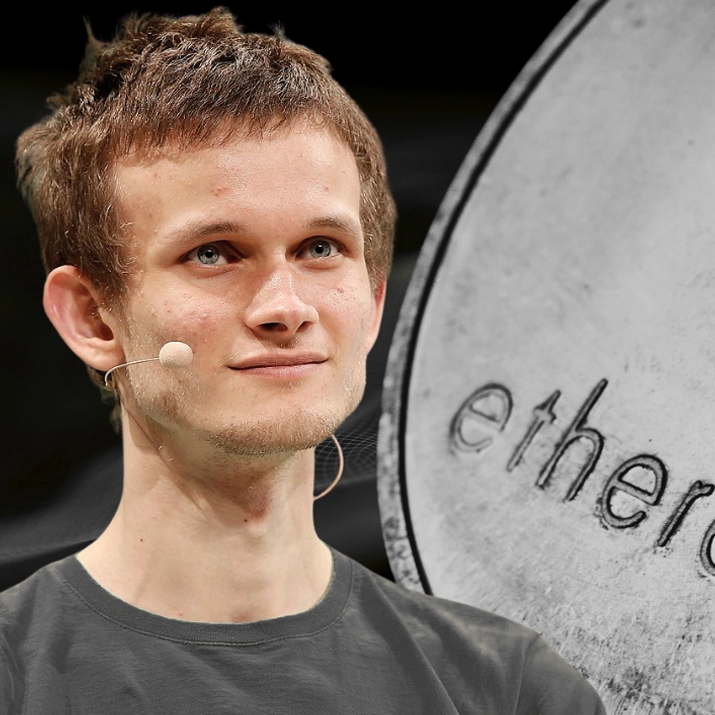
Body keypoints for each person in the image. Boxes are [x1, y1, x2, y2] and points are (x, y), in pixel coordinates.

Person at [1, 8, 606, 713]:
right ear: (92, 317)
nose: (285, 307)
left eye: (321, 248)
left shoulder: (509, 689)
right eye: (213, 253)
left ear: (373, 304)